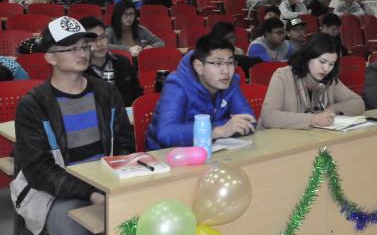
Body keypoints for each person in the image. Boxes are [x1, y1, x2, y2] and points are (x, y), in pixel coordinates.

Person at [13, 16, 133, 235]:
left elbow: (124, 144)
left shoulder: (106, 93)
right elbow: (39, 170)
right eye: (72, 48)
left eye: (84, 46)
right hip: (56, 193)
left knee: (140, 217)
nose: (82, 53)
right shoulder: (34, 105)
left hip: (106, 182)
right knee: (70, 225)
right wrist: (91, 193)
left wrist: (115, 184)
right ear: (50, 57)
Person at [146, 34, 255, 150]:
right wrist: (218, 130)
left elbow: (249, 120)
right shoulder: (177, 84)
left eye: (230, 63)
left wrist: (224, 129)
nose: (226, 71)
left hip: (214, 150)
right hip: (168, 155)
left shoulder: (230, 82)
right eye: (218, 63)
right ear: (199, 66)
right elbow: (166, 133)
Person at [258, 33, 365, 130]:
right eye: (322, 62)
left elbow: (358, 103)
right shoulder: (283, 76)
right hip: (278, 141)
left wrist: (333, 109)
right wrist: (313, 119)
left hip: (311, 139)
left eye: (331, 64)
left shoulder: (329, 80)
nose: (326, 69)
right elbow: (269, 116)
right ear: (308, 57)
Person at [80, 17, 142, 107]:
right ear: (83, 44)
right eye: (93, 40)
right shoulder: (80, 71)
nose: (100, 44)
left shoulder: (123, 62)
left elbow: (137, 93)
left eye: (102, 37)